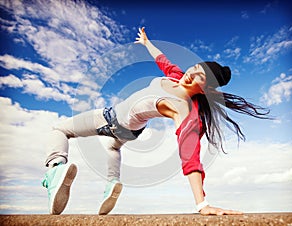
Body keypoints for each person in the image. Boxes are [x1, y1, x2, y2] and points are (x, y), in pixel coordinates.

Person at [42, 27, 269, 215]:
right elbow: (163, 60)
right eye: (195, 68)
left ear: (206, 88)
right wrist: (146, 42)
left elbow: (190, 156)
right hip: (132, 130)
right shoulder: (177, 76)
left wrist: (202, 205)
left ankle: (55, 170)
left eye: (199, 77)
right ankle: (112, 182)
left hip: (111, 119)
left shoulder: (184, 111)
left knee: (60, 129)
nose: (191, 74)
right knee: (112, 147)